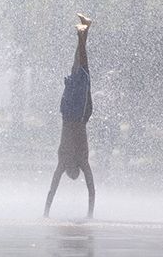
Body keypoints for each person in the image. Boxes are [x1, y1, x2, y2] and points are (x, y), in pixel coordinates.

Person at [44, 14, 95, 218]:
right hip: (73, 114)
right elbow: (90, 188)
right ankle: (83, 32)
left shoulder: (68, 161)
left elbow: (89, 188)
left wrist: (46, 213)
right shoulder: (75, 160)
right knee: (80, 71)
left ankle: (84, 32)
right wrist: (89, 215)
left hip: (73, 114)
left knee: (79, 71)